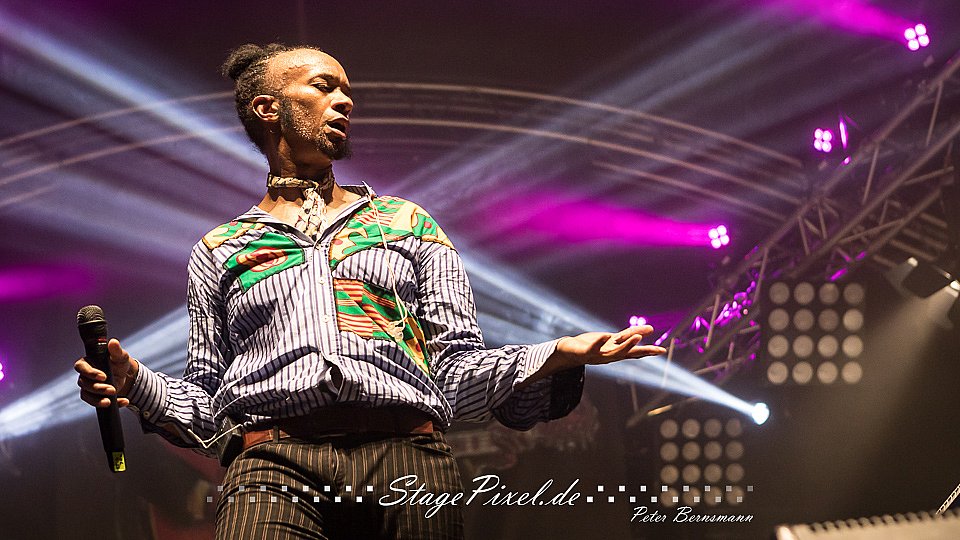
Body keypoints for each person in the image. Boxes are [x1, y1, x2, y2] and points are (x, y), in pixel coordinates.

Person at [74, 43, 667, 539]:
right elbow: (209, 406)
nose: (345, 101)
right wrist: (134, 382)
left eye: (347, 91)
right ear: (268, 107)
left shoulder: (407, 223)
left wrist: (557, 355)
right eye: (324, 87)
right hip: (272, 466)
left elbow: (455, 370)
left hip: (406, 458)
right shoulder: (220, 248)